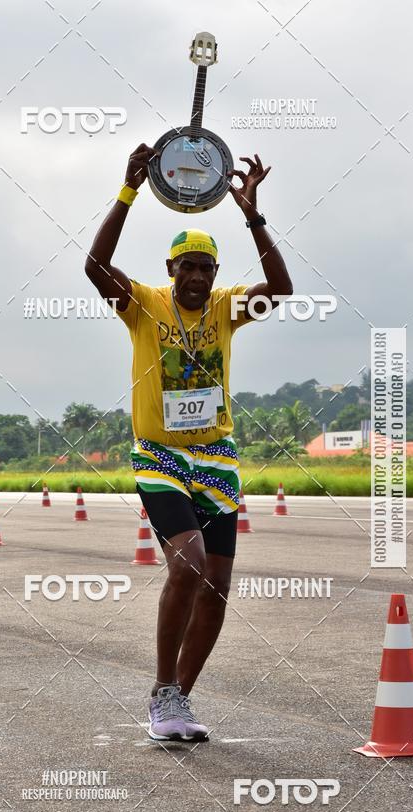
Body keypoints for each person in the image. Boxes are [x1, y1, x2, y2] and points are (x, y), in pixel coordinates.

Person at [85, 143, 292, 741]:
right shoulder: (144, 306)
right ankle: (161, 690)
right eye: (188, 267)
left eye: (207, 268)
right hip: (159, 455)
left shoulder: (227, 309)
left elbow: (280, 286)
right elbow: (95, 266)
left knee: (219, 583)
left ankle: (178, 699)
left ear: (215, 276)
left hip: (216, 458)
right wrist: (127, 191)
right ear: (171, 272)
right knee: (189, 564)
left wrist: (252, 214)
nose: (198, 276)